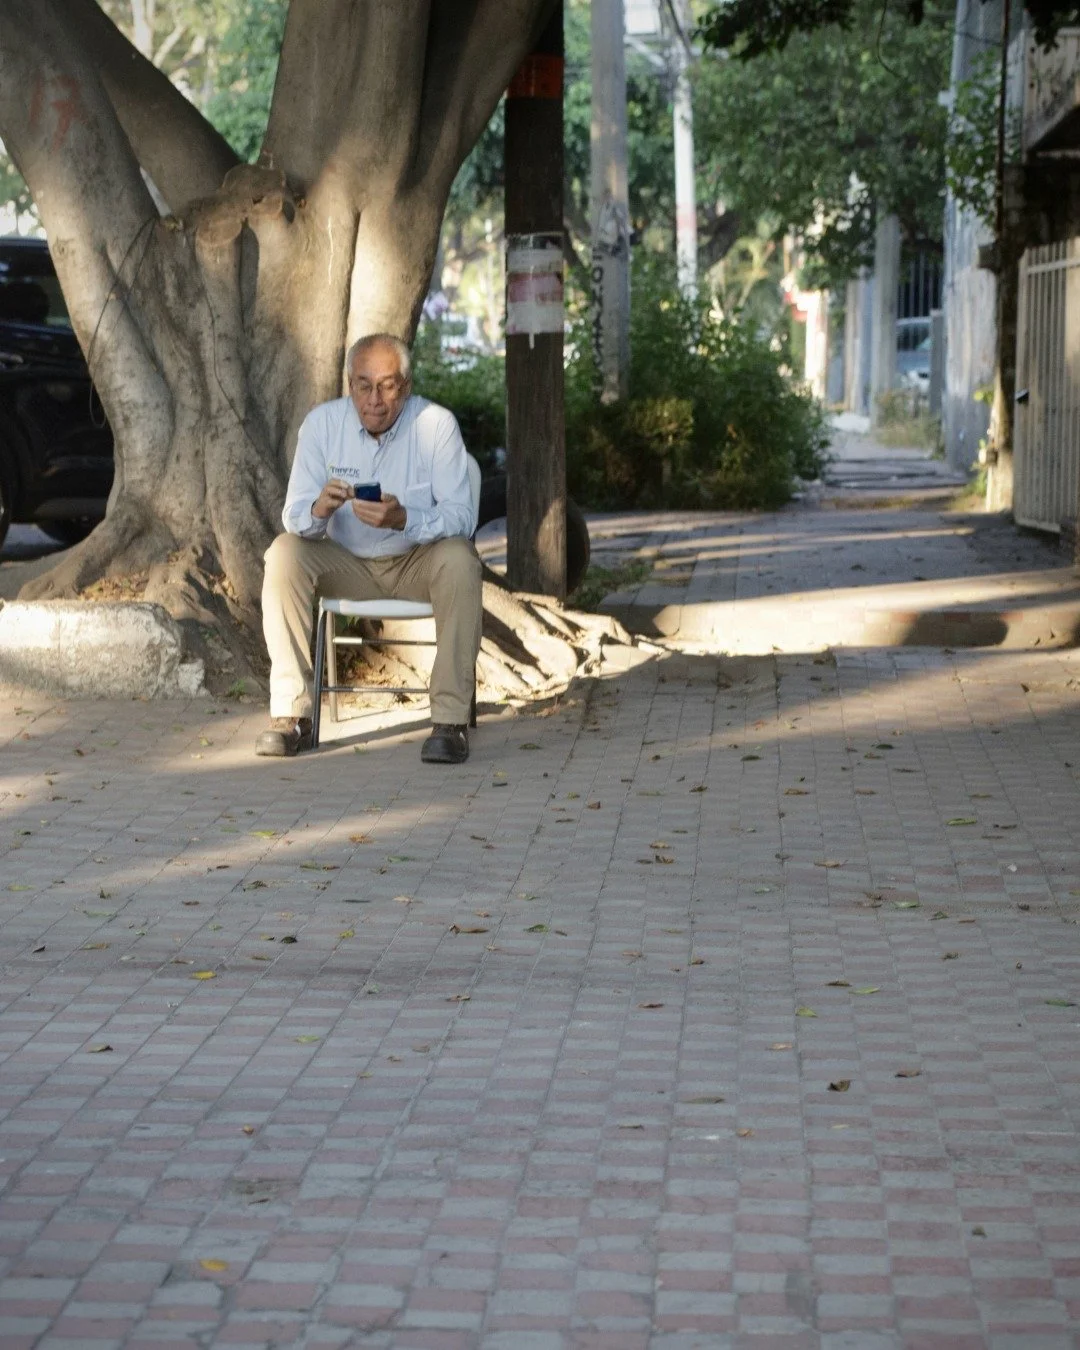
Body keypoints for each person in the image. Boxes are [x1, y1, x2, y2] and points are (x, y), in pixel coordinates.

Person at [256, 333, 482, 764]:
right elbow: (294, 516)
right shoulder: (322, 424)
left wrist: (407, 519)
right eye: (363, 385)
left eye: (388, 385)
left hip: (417, 560)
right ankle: (292, 716)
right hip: (346, 562)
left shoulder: (436, 425)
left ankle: (450, 721)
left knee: (460, 559)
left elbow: (461, 517)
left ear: (407, 386)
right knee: (284, 553)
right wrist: (319, 509)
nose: (375, 399)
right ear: (348, 384)